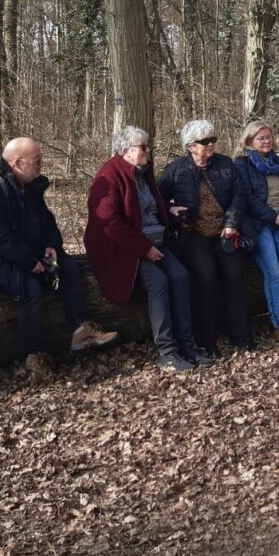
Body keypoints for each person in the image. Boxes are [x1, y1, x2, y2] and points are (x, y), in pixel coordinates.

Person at [0, 138, 118, 376]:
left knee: (68, 268)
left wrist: (51, 245)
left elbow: (47, 222)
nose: (41, 164)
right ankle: (34, 354)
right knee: (30, 289)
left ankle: (83, 329)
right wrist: (28, 261)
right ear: (17, 163)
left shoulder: (29, 187)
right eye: (37, 160)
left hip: (25, 250)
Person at [85, 126, 208, 373]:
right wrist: (144, 249)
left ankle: (187, 343)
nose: (148, 151)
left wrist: (168, 211)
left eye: (147, 146)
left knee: (181, 277)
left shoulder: (142, 172)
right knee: (159, 282)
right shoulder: (109, 177)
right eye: (143, 147)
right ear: (125, 151)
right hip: (127, 250)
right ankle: (167, 351)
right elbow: (109, 222)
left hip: (156, 243)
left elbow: (151, 204)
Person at [159, 120, 252, 354]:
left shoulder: (225, 164)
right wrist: (169, 210)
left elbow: (239, 196)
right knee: (206, 280)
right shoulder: (176, 169)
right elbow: (158, 198)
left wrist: (231, 223)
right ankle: (207, 340)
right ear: (190, 146)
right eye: (204, 141)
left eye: (213, 140)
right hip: (194, 234)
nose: (211, 145)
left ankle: (241, 335)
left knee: (235, 276)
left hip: (224, 231)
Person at [235, 120, 279, 344]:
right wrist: (272, 216)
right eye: (261, 138)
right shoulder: (242, 163)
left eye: (268, 137)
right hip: (259, 224)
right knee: (274, 272)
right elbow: (247, 197)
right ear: (249, 141)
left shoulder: (277, 161)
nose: (266, 141)